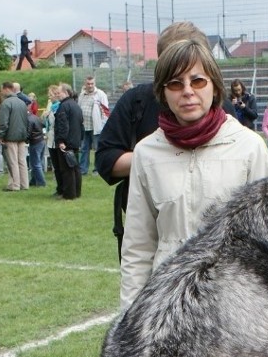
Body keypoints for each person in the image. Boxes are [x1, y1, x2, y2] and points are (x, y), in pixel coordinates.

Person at [121, 38, 268, 310]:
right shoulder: (146, 152)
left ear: (214, 86)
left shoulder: (250, 148)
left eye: (198, 81)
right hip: (166, 305)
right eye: (175, 84)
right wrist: (130, 316)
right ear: (163, 93)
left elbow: (265, 245)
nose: (187, 91)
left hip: (231, 309)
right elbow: (138, 245)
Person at [95, 21, 232, 260]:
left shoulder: (223, 109)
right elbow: (107, 159)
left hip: (214, 236)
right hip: (156, 230)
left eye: (197, 77)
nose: (188, 89)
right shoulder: (136, 101)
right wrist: (156, 158)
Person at [0, 80, 30, 191]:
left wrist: (1, 135)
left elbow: (3, 122)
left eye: (1, 90)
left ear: (6, 89)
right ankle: (25, 184)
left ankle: (15, 185)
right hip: (22, 136)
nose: (1, 92)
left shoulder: (6, 103)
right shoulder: (22, 103)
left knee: (13, 161)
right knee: (22, 160)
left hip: (11, 136)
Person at [53, 82, 83, 200]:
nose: (57, 95)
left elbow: (63, 125)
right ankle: (77, 192)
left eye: (59, 93)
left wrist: (61, 140)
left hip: (67, 142)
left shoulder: (63, 107)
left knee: (66, 169)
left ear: (66, 92)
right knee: (75, 168)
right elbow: (81, 124)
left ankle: (69, 194)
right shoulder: (76, 105)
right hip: (75, 140)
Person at [78, 76, 109, 175]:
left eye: (92, 84)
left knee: (97, 149)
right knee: (84, 149)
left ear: (94, 84)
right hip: (84, 126)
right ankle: (83, 170)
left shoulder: (100, 94)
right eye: (88, 84)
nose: (90, 85)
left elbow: (105, 111)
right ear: (85, 84)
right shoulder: (82, 95)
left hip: (96, 127)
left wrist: (103, 125)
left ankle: (97, 169)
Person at [43, 84, 62, 196]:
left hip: (56, 138)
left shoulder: (58, 107)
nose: (49, 97)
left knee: (58, 164)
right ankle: (58, 187)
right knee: (55, 164)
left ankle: (61, 186)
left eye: (51, 95)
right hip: (50, 137)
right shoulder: (52, 106)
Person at [27, 110, 47, 187]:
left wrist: (24, 140)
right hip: (41, 140)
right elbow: (43, 125)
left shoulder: (28, 120)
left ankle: (41, 182)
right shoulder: (36, 117)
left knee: (35, 164)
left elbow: (28, 133)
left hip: (35, 142)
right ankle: (34, 180)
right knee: (39, 162)